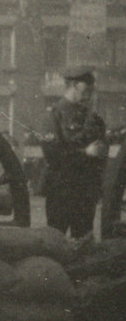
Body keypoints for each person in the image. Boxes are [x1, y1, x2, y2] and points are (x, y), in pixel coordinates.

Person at [42, 65, 108, 240]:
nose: (91, 89)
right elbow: (52, 154)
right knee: (55, 240)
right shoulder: (55, 114)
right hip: (62, 190)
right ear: (75, 84)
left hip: (86, 191)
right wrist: (85, 153)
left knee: (84, 241)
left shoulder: (94, 118)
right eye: (88, 84)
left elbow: (102, 149)